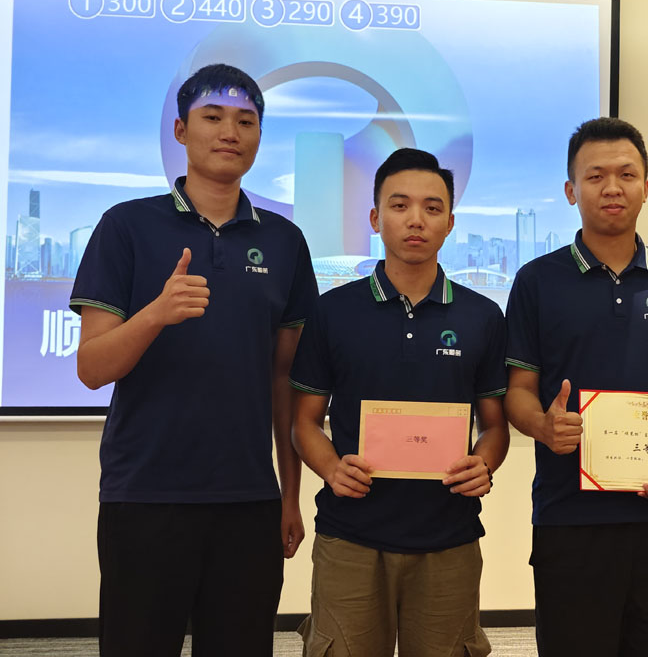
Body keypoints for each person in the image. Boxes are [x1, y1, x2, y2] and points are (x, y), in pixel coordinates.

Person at [70, 64, 317, 657]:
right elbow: (92, 368)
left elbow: (285, 380)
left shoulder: (285, 241)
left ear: (259, 137)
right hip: (145, 494)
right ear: (181, 131)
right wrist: (155, 314)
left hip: (248, 499)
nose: (230, 132)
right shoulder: (126, 226)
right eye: (212, 118)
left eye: (246, 121)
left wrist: (289, 494)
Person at [504, 117, 648, 657]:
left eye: (626, 174)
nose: (612, 188)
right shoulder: (536, 280)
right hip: (570, 518)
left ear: (646, 186)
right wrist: (543, 425)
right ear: (571, 190)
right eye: (595, 176)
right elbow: (518, 391)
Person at [290, 148, 509, 657]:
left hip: (449, 537)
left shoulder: (482, 316)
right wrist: (331, 469)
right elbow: (305, 421)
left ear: (450, 223)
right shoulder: (332, 311)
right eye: (399, 205)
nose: (416, 220)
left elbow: (495, 426)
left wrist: (484, 463)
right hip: (350, 535)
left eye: (432, 208)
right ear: (375, 218)